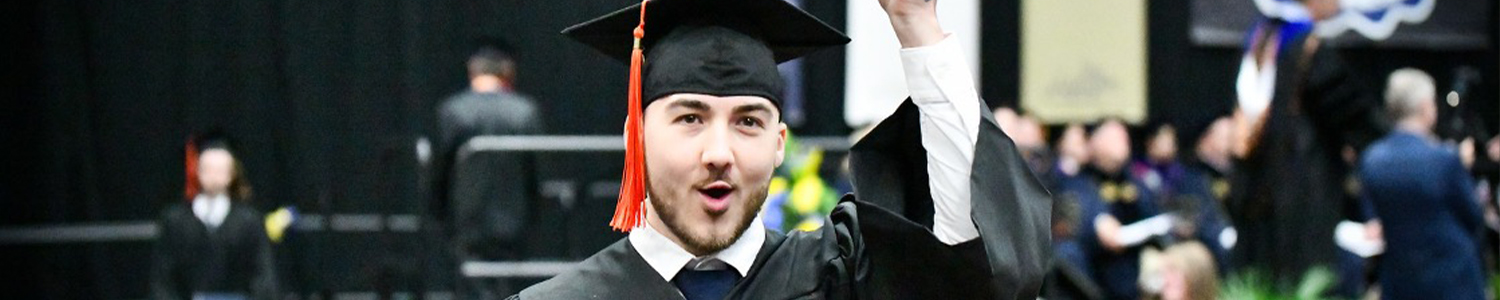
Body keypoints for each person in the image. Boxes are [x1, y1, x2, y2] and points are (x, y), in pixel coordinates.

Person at [510, 0, 1052, 298]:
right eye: (690, 118)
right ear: (636, 137)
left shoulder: (845, 282)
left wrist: (917, 23)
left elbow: (982, 268)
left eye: (748, 121)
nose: (718, 151)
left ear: (779, 144)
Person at [1226, 0, 1386, 286]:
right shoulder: (1307, 49)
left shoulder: (1260, 42)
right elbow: (1354, 115)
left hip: (1260, 200)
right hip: (1300, 197)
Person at [431, 42, 546, 299]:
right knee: (513, 288)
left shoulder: (453, 111)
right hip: (515, 219)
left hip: (467, 219)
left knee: (470, 286)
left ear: (473, 72)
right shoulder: (524, 112)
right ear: (508, 73)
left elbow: (440, 172)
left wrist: (439, 214)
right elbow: (536, 171)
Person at [1360, 68, 1485, 299]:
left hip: (1400, 278)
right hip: (1452, 278)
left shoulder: (1372, 159)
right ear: (1426, 106)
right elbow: (1473, 215)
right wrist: (1460, 167)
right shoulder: (1444, 159)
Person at [152, 132, 279, 300]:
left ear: (231, 173)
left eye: (220, 170)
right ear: (197, 170)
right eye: (208, 169)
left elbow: (262, 275)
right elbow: (163, 278)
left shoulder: (249, 221)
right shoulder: (175, 221)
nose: (214, 176)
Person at [1058, 119, 1163, 300]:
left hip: (1136, 256)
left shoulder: (1137, 180)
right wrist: (1098, 221)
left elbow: (1154, 213)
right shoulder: (1079, 180)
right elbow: (1076, 211)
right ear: (1094, 142)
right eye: (1114, 136)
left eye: (1124, 136)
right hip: (1097, 261)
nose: (1122, 141)